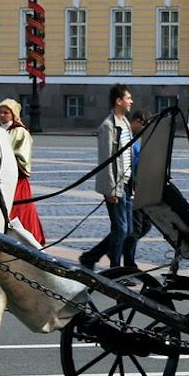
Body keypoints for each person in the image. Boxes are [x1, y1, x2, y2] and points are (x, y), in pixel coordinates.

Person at [79, 84, 133, 269]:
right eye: (128, 98)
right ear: (119, 101)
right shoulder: (108, 127)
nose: (131, 101)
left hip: (126, 183)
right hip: (115, 185)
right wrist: (111, 190)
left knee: (127, 229)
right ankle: (115, 269)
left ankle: (91, 257)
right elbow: (106, 161)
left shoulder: (125, 123)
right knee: (121, 229)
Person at [0, 98, 45, 244]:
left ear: (13, 115)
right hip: (1, 177)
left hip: (17, 178)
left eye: (6, 113)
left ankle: (27, 238)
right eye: (0, 112)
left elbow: (21, 156)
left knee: (19, 209)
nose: (2, 115)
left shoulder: (19, 131)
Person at [121, 108, 155, 269]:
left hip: (142, 189)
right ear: (136, 122)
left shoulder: (137, 139)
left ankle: (102, 251)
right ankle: (129, 264)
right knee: (134, 230)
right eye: (144, 126)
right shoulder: (127, 138)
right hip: (132, 189)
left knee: (144, 226)